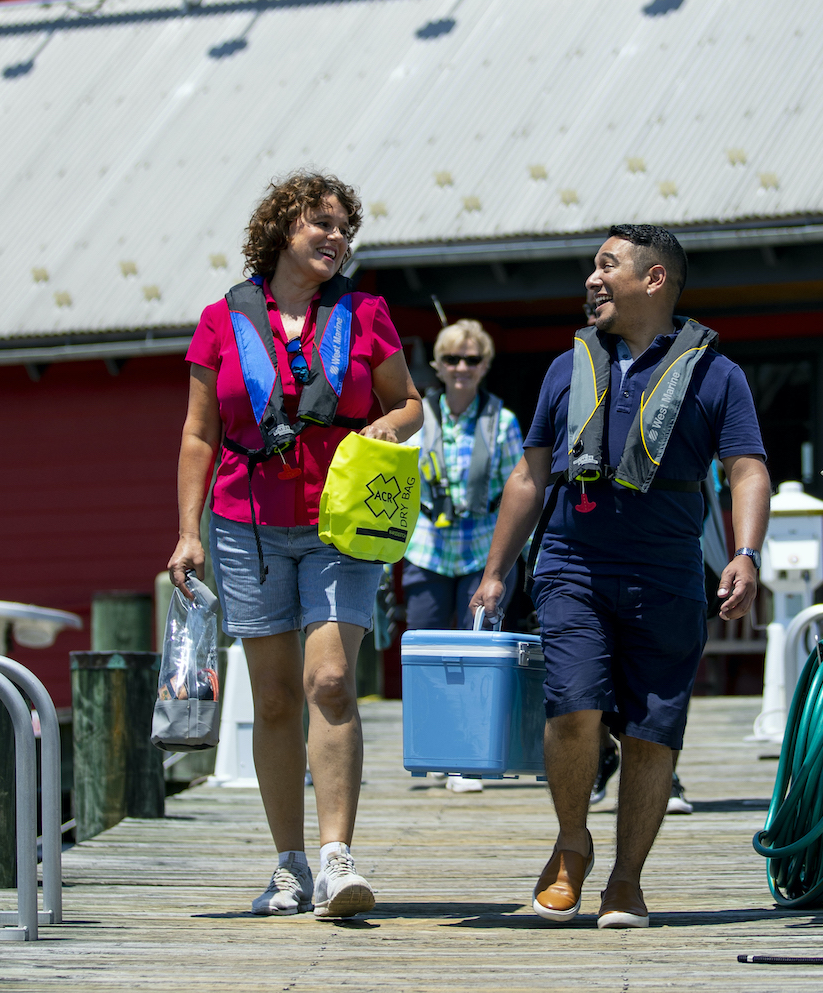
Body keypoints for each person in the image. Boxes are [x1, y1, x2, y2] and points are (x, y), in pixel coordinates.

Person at [472, 224, 771, 928]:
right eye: (591, 268)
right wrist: (495, 572)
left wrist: (745, 553)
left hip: (667, 575)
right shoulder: (564, 368)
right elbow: (529, 474)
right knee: (572, 704)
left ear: (655, 278)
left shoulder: (717, 375)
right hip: (572, 564)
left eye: (607, 266)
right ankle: (572, 842)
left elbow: (748, 469)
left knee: (652, 731)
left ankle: (626, 882)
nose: (592, 280)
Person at [167, 171, 422, 920]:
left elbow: (408, 402)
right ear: (283, 229)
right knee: (275, 699)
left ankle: (339, 859)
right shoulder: (220, 320)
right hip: (245, 525)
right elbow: (198, 434)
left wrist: (390, 424)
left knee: (332, 682)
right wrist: (188, 533)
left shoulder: (366, 312)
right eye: (321, 221)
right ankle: (289, 866)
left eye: (344, 225)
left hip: (341, 525)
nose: (336, 236)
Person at [403, 318, 525, 792]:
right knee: (429, 657)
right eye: (452, 359)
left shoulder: (505, 422)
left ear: (485, 366)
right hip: (427, 551)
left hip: (482, 556)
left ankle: (466, 760)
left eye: (471, 360)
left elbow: (520, 493)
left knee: (475, 659)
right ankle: (436, 750)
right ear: (436, 364)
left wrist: (518, 560)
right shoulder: (417, 417)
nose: (461, 368)